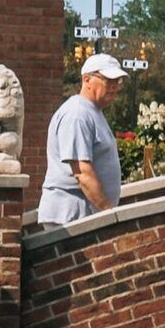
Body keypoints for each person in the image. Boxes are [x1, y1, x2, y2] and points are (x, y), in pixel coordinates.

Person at [41, 52, 126, 226]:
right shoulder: (77, 114)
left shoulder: (92, 112)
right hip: (71, 217)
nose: (113, 86)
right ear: (86, 80)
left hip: (82, 216)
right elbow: (82, 172)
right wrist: (110, 215)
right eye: (107, 80)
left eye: (117, 81)